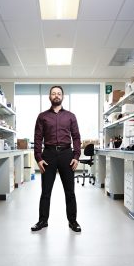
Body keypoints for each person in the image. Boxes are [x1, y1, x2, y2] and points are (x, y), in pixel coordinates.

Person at [31, 85, 81, 232]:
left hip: (67, 154)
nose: (56, 96)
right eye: (53, 93)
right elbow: (38, 138)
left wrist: (76, 156)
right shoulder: (42, 116)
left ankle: (73, 221)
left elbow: (76, 137)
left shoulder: (71, 116)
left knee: (70, 191)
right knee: (46, 191)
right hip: (49, 155)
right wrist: (38, 157)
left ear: (63, 97)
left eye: (59, 93)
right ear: (49, 97)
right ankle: (42, 221)